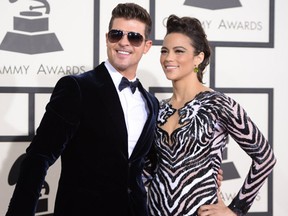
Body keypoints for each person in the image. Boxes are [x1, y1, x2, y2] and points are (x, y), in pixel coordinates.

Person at [5, 3, 159, 216]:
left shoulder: (150, 103)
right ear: (107, 38)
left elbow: (146, 163)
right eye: (117, 34)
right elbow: (39, 157)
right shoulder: (77, 88)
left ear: (146, 45)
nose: (124, 42)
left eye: (134, 37)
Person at [144, 14, 276, 216]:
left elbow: (265, 158)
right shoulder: (158, 108)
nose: (168, 58)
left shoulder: (218, 104)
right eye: (164, 51)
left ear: (199, 57)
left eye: (179, 51)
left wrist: (236, 210)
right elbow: (149, 169)